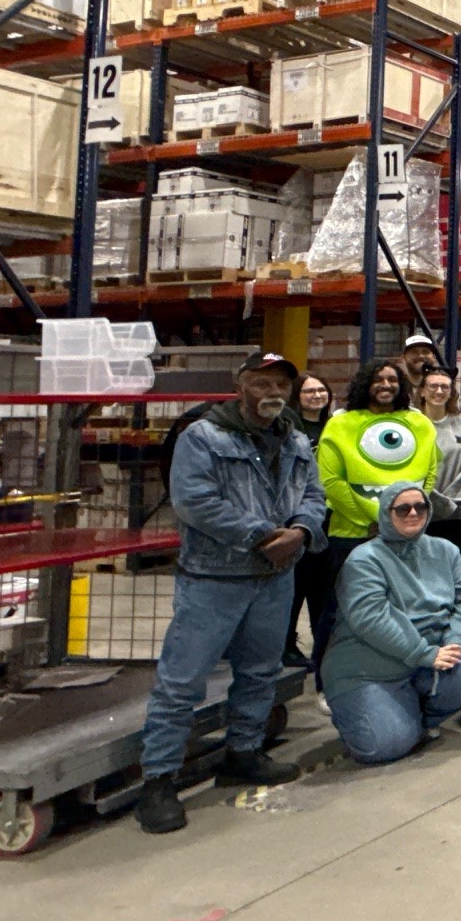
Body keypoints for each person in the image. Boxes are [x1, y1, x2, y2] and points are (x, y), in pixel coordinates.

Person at [136, 352, 326, 834]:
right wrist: (265, 536)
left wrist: (301, 531)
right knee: (182, 682)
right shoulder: (202, 436)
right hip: (213, 580)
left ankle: (242, 752)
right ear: (239, 385)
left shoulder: (296, 438)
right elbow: (194, 502)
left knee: (260, 672)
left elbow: (313, 495)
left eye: (280, 384)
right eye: (261, 383)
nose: (272, 393)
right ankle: (157, 780)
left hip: (274, 578)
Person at [322, 481, 461, 765]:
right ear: (386, 514)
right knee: (381, 748)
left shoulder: (446, 551)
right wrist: (425, 654)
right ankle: (384, 717)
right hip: (369, 669)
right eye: (402, 509)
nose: (413, 513)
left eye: (420, 506)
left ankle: (415, 714)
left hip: (430, 656)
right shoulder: (364, 561)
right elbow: (372, 619)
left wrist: (455, 639)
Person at [313, 358, 440, 680]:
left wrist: (403, 519)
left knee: (404, 607)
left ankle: (394, 673)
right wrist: (375, 519)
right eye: (378, 379)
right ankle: (327, 680)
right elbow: (332, 482)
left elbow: (429, 474)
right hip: (351, 533)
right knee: (339, 610)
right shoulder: (340, 424)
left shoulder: (419, 423)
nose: (386, 385)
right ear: (364, 384)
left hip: (405, 536)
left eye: (392, 379)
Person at [284, 373, 334, 667]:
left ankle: (322, 646)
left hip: (330, 515)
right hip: (298, 515)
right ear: (297, 397)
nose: (316, 395)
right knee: (296, 586)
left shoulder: (334, 425)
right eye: (309, 391)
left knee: (322, 588)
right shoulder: (290, 428)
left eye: (320, 390)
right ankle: (287, 644)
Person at [418, 366, 461, 565]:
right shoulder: (412, 422)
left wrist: (449, 500)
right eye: (433, 386)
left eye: (445, 387)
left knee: (457, 569)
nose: (439, 391)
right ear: (422, 390)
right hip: (419, 511)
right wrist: (429, 498)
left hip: (458, 512)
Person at [399, 332, 437, 404]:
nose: (421, 356)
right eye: (414, 352)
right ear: (403, 358)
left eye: (425, 352)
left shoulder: (443, 386)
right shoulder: (397, 387)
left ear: (434, 358)